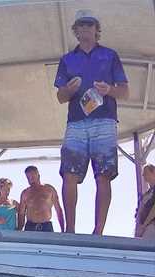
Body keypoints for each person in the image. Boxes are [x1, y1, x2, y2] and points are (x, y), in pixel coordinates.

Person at [54, 10, 129, 235]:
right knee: (69, 173)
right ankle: (70, 229)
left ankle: (99, 231)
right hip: (76, 122)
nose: (85, 28)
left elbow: (124, 91)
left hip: (104, 120)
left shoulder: (110, 55)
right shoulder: (67, 59)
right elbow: (60, 97)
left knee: (104, 174)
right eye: (81, 25)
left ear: (97, 30)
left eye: (90, 25)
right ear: (75, 31)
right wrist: (69, 89)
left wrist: (110, 90)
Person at [19, 166, 65, 232]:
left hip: (46, 226)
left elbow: (58, 210)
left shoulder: (49, 189)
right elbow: (21, 213)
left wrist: (62, 229)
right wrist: (19, 230)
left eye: (32, 177)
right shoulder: (25, 193)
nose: (31, 180)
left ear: (38, 175)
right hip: (30, 226)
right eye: (28, 178)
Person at [135, 164, 155, 240]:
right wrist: (138, 227)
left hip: (151, 226)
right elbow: (139, 212)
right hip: (143, 228)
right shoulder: (145, 195)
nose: (143, 175)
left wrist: (143, 226)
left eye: (146, 173)